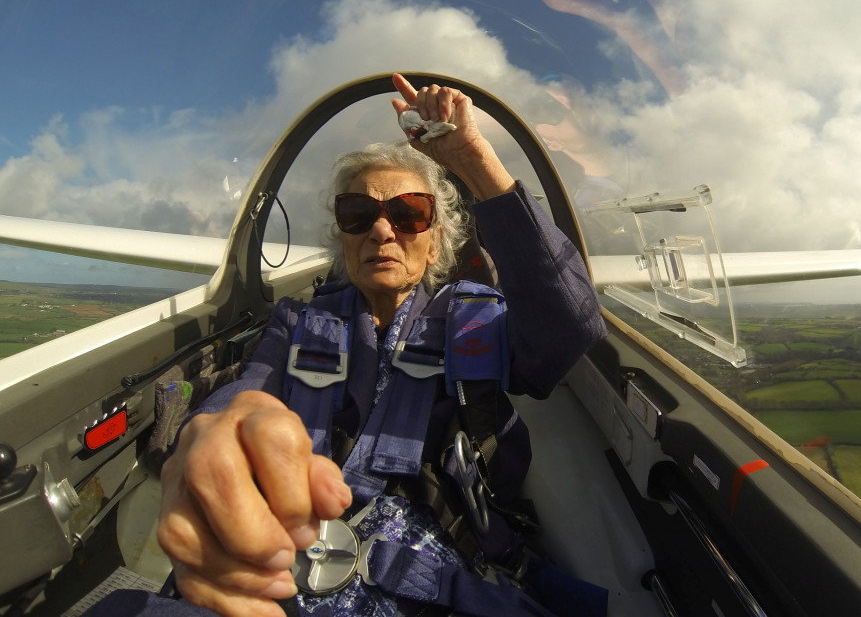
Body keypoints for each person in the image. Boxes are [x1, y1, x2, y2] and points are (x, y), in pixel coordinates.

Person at [90, 74, 606, 617]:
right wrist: (218, 428)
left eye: (409, 214)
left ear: (436, 245)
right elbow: (251, 395)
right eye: (359, 216)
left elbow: (569, 327)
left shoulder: (476, 323)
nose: (382, 231)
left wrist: (475, 160)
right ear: (342, 239)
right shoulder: (298, 322)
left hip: (437, 577)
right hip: (286, 563)